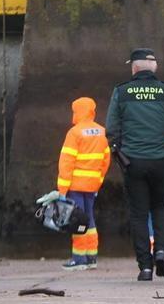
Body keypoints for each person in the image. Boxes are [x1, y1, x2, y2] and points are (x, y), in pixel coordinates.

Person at [106, 48, 164, 281]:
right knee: (160, 208)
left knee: (138, 214)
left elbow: (111, 128)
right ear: (154, 67)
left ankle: (145, 268)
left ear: (134, 68)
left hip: (133, 162)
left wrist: (117, 151)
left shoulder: (122, 91)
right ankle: (161, 251)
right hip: (162, 162)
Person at [56, 97, 110, 271]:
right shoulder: (102, 132)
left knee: (76, 220)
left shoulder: (75, 133)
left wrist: (62, 190)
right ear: (92, 111)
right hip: (92, 185)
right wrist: (98, 182)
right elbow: (105, 161)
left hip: (76, 186)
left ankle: (79, 259)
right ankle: (91, 258)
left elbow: (66, 162)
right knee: (90, 219)